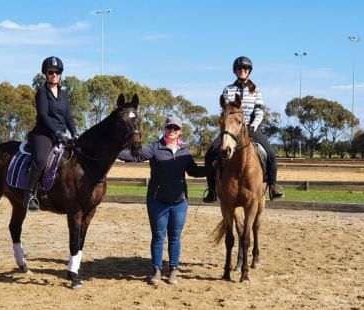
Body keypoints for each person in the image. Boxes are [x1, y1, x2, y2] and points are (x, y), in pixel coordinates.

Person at [118, 116, 208, 285]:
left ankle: (173, 269)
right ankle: (157, 270)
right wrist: (113, 149)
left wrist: (212, 168)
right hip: (157, 201)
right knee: (158, 236)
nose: (171, 131)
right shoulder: (154, 148)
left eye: (175, 128)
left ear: (180, 131)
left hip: (179, 202)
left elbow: (194, 171)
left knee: (175, 236)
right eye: (169, 127)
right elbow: (135, 155)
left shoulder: (185, 152)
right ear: (164, 129)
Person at [203, 56, 284, 202]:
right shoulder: (228, 89)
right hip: (232, 129)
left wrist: (253, 125)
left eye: (245, 69)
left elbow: (259, 111)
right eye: (239, 68)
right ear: (235, 71)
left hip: (251, 128)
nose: (242, 71)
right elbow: (226, 110)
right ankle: (212, 190)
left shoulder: (256, 90)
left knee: (271, 154)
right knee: (210, 154)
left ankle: (272, 186)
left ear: (249, 71)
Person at [24, 56, 79, 210]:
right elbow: (43, 115)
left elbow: (68, 116)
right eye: (50, 72)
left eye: (57, 72)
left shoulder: (64, 94)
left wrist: (74, 132)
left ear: (60, 74)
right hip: (43, 134)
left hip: (61, 134)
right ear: (46, 74)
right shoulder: (41, 92)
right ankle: (30, 195)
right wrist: (57, 132)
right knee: (41, 160)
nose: (54, 74)